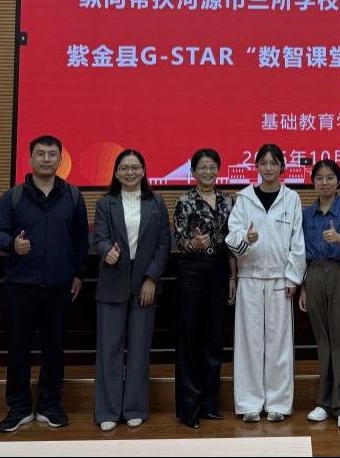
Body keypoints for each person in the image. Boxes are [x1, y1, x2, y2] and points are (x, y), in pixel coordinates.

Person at [0, 135, 89, 433]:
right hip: (21, 286)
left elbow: (81, 240)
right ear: (30, 158)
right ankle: (19, 408)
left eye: (52, 154)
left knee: (54, 350)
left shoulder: (73, 196)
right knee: (18, 350)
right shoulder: (13, 196)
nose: (46, 159)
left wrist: (78, 274)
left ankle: (49, 405)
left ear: (60, 159)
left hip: (60, 287)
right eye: (41, 154)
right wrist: (11, 244)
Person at [93, 149, 171, 432]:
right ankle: (108, 410)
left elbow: (164, 243)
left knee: (139, 349)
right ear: (116, 173)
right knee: (109, 349)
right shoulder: (105, 203)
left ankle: (135, 408)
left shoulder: (156, 202)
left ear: (144, 171)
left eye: (135, 167)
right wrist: (107, 252)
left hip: (144, 282)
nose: (130, 172)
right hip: (112, 280)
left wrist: (151, 278)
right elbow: (100, 238)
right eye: (124, 168)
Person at [225, 143, 305, 423]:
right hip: (249, 277)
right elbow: (231, 237)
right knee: (249, 342)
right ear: (257, 166)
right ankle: (249, 403)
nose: (268, 168)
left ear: (282, 167)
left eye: (274, 163)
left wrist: (293, 277)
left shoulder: (291, 199)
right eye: (264, 163)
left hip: (280, 280)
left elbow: (297, 241)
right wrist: (246, 240)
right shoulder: (244, 198)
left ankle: (278, 404)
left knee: (279, 344)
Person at [173, 148, 237, 429]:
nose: (208, 172)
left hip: (219, 272)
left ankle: (210, 404)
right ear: (193, 171)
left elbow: (231, 243)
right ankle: (190, 408)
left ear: (218, 170)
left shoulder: (227, 200)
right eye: (202, 167)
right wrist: (193, 244)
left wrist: (233, 277)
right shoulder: (184, 200)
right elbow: (179, 241)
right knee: (190, 341)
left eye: (212, 167)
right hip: (192, 272)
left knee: (214, 341)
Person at [299, 160, 340, 430]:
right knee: (323, 341)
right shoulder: (306, 214)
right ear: (313, 182)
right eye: (320, 178)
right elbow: (300, 252)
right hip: (314, 274)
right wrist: (303, 286)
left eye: (330, 178)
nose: (324, 183)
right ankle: (324, 403)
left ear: (338, 180)